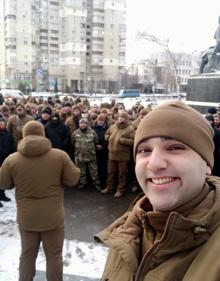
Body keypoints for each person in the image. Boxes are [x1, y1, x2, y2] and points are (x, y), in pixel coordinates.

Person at [95, 101, 220, 281]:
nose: (154, 164)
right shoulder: (127, 232)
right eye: (144, 150)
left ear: (207, 163)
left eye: (175, 148)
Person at [0, 120, 80, 281]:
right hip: (53, 216)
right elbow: (72, 180)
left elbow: (4, 184)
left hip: (27, 217)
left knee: (27, 255)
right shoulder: (59, 156)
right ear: (43, 134)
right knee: (54, 255)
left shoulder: (12, 159)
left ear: (24, 135)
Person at [101, 111, 135, 198]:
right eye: (119, 117)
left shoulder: (130, 129)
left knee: (121, 174)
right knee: (110, 173)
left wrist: (123, 140)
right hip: (112, 154)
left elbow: (133, 141)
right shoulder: (113, 127)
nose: (120, 119)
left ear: (126, 119)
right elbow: (106, 134)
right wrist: (108, 138)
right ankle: (109, 188)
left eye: (122, 117)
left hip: (123, 156)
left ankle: (120, 190)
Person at [71, 118, 100, 190]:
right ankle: (82, 183)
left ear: (87, 124)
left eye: (84, 123)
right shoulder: (75, 133)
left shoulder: (92, 132)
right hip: (80, 155)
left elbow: (96, 141)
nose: (83, 125)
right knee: (81, 171)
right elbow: (73, 142)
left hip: (91, 155)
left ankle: (96, 184)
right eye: (81, 123)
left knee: (94, 172)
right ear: (79, 124)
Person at [0, 117, 15, 206]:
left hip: (5, 160)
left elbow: (12, 143)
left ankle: (2, 194)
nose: (1, 124)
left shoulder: (7, 133)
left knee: (3, 178)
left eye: (2, 123)